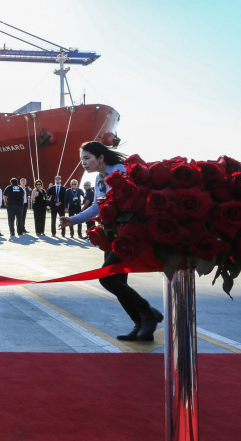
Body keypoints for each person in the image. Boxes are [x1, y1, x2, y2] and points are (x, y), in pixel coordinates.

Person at [60, 141, 163, 341]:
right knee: (118, 281)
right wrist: (73, 220)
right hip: (114, 233)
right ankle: (142, 325)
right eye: (81, 159)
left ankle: (147, 312)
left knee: (107, 278)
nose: (83, 163)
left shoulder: (121, 171)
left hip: (130, 232)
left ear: (100, 157)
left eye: (87, 158)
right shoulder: (99, 178)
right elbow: (97, 207)